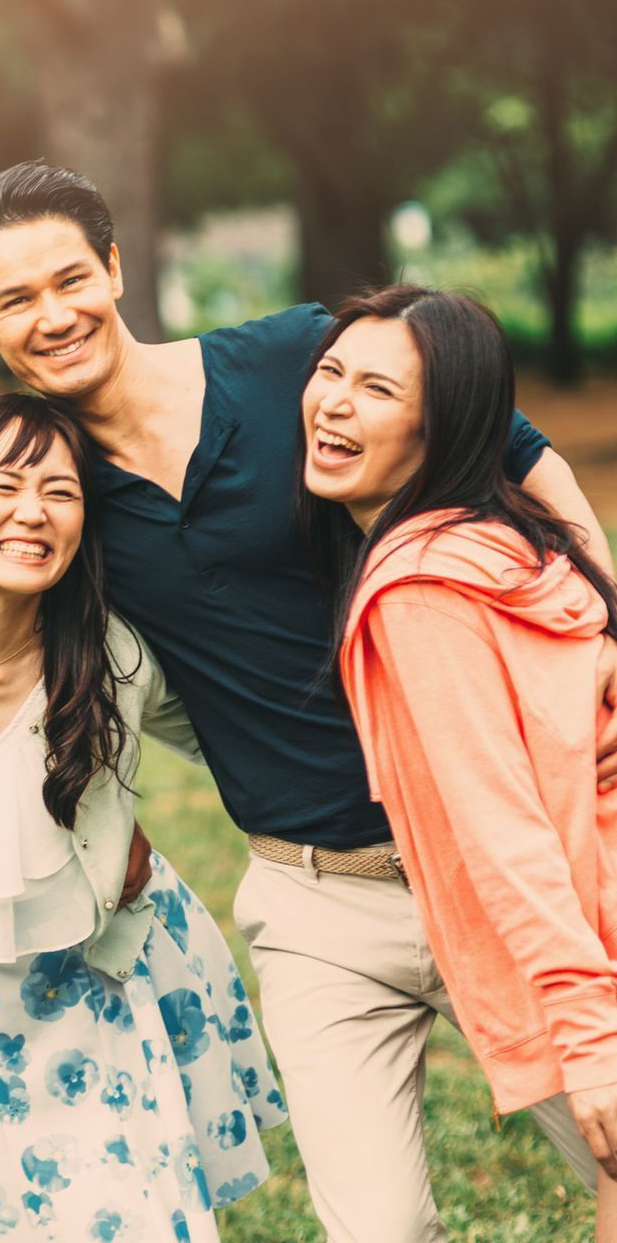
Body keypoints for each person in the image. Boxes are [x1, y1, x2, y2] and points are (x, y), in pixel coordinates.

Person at [0, 160, 617, 1241]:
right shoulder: (46, 489)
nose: (54, 315)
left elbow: (507, 446)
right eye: (16, 301)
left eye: (69, 278)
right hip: (316, 893)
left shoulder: (295, 361)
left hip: (502, 857)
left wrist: (603, 618)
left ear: (113, 264)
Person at [297, 285, 617, 1238]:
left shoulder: (421, 590)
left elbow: (502, 826)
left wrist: (591, 1041)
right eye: (329, 373)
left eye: (378, 390)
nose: (335, 403)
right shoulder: (512, 537)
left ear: (442, 429)